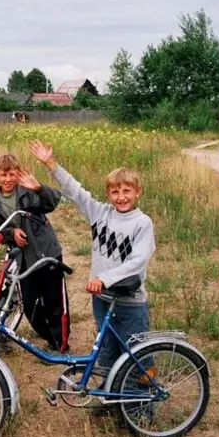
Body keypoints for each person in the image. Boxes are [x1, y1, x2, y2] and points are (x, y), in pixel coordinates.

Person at [27, 140, 156, 372]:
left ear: (138, 192)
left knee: (136, 354)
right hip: (102, 299)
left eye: (127, 191)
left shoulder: (142, 223)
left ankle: (139, 405)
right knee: (105, 349)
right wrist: (50, 164)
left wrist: (105, 278)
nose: (121, 197)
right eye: (115, 191)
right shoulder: (100, 214)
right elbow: (75, 191)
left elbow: (138, 261)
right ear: (108, 194)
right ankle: (107, 398)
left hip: (130, 303)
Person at [0, 153, 70, 353]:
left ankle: (61, 345)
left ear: (18, 174)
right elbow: (0, 228)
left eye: (12, 174)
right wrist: (12, 232)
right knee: (29, 305)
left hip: (46, 254)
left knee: (54, 303)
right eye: (3, 175)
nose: (8, 179)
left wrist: (39, 188)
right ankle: (50, 337)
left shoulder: (29, 191)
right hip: (23, 258)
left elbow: (53, 202)